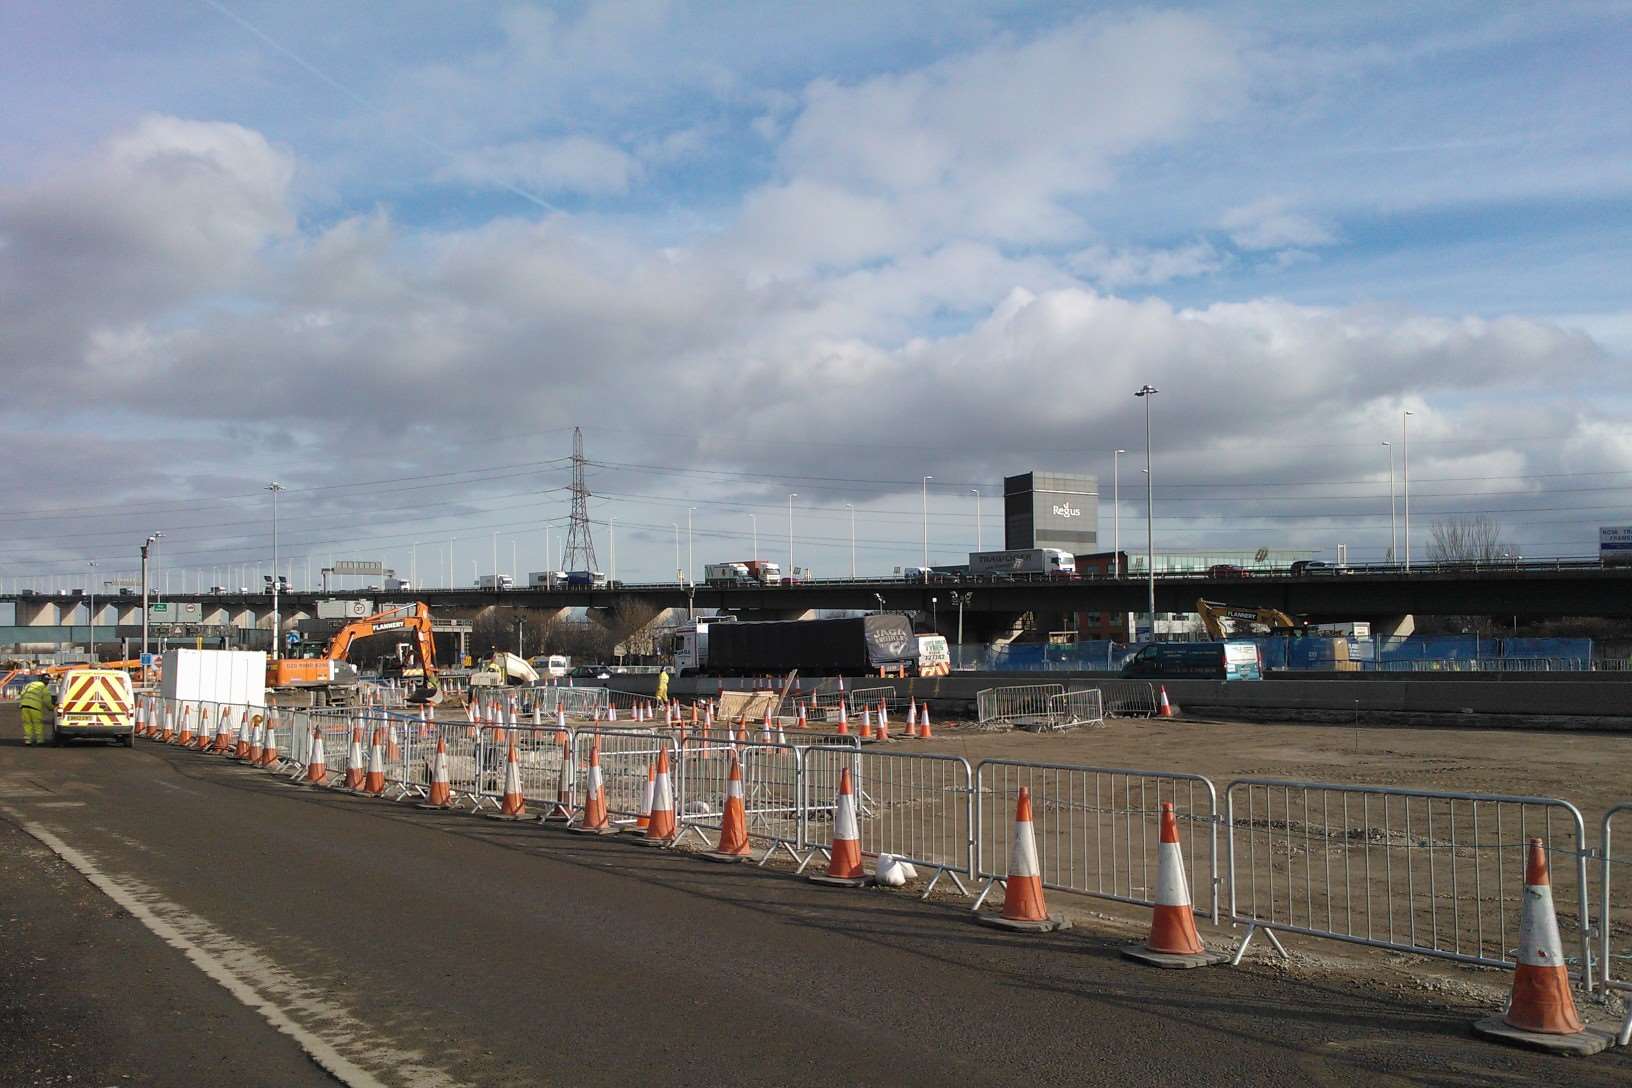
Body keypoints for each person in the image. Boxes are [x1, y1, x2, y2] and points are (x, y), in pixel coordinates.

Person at [20, 675, 51, 746]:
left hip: (24, 706)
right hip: (35, 708)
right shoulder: (43, 688)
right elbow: (47, 701)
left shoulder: (30, 684)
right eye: (47, 681)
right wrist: (51, 708)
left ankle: (28, 740)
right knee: (37, 724)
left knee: (27, 723)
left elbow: (22, 694)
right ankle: (40, 741)